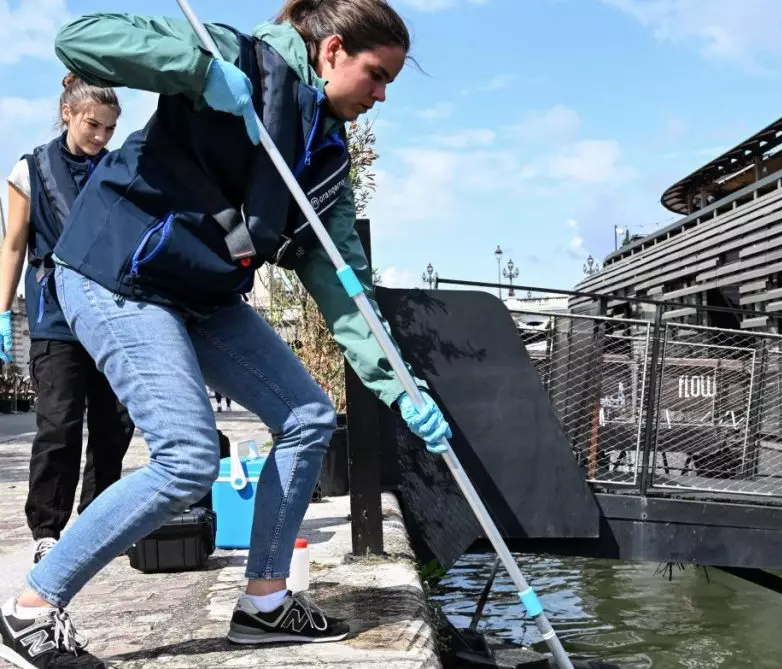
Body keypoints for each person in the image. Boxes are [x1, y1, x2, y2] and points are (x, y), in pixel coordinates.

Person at [0, 2, 452, 667]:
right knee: (186, 456)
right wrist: (195, 70)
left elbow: (345, 286)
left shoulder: (324, 158)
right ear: (332, 52)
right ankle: (30, 609)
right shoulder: (235, 59)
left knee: (307, 414)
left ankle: (265, 602)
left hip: (201, 295)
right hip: (114, 272)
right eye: (377, 75)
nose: (381, 95)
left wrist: (399, 385)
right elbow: (81, 39)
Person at [0, 75, 135, 568]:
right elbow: (14, 243)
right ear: (67, 114)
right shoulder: (30, 168)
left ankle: (97, 520)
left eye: (110, 128)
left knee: (114, 423)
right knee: (59, 424)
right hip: (54, 316)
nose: (101, 136)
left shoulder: (118, 169)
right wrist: (2, 312)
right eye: (92, 124)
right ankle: (47, 529)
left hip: (111, 315)